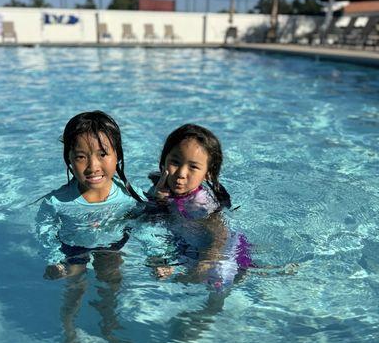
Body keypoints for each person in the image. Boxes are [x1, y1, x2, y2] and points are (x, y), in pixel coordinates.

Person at [36, 110, 145, 280]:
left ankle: (108, 306)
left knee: (111, 278)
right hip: (73, 247)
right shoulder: (56, 202)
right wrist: (54, 260)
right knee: (74, 285)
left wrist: (159, 256)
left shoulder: (131, 196)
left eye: (102, 154)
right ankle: (70, 305)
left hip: (112, 245)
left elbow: (148, 225)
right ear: (69, 159)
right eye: (80, 157)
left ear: (118, 155)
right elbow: (44, 231)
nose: (93, 166)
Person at [144, 123, 255, 291]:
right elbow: (149, 223)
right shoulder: (158, 190)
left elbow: (220, 235)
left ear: (208, 173)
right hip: (188, 243)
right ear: (163, 161)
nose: (181, 173)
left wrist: (206, 262)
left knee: (219, 281)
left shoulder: (201, 203)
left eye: (193, 167)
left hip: (221, 247)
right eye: (175, 162)